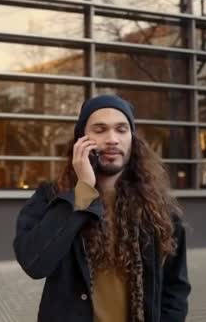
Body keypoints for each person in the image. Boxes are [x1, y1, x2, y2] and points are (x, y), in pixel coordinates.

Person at [13, 94, 191, 322]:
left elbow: (175, 289)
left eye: (121, 129)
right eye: (100, 129)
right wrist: (83, 190)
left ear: (132, 139)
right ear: (81, 140)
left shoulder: (159, 209)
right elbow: (34, 263)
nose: (112, 139)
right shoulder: (50, 197)